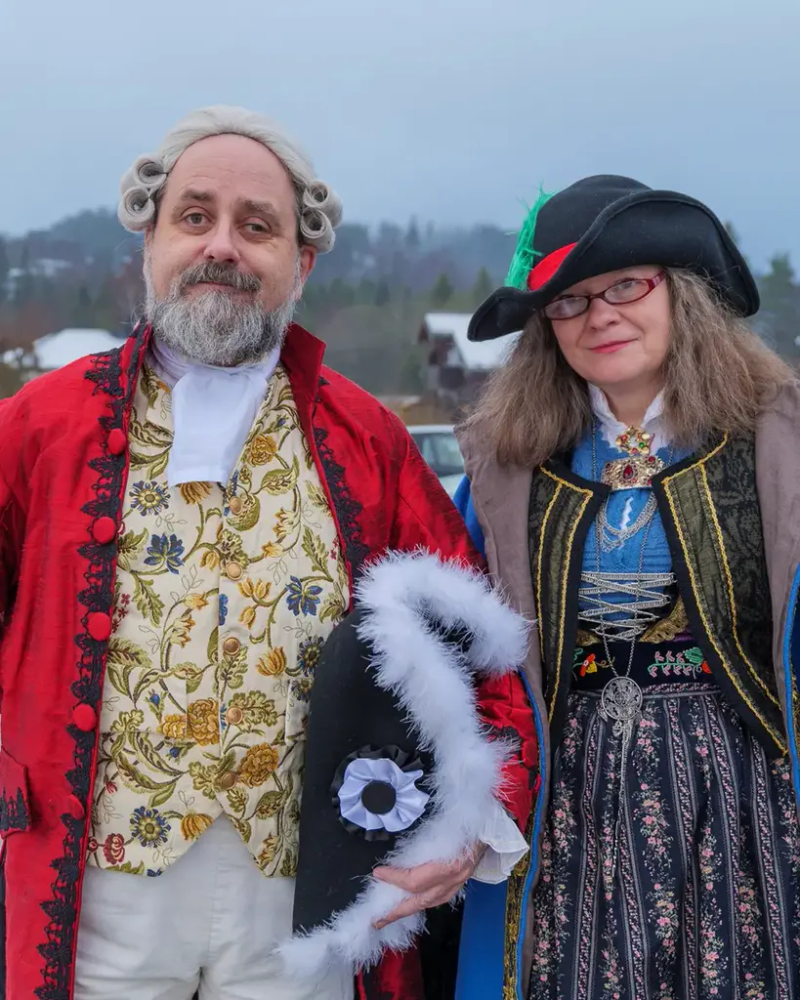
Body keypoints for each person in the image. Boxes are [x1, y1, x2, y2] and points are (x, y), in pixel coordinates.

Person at [0, 106, 537, 1000]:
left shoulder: (368, 436)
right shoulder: (40, 424)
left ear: (302, 260)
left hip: (305, 898)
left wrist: (474, 816)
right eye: (195, 217)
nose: (224, 248)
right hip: (97, 890)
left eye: (258, 227)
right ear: (150, 238)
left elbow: (469, 634)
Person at [453, 175, 800, 1000]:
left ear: (683, 294)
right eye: (569, 301)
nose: (599, 314)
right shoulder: (506, 472)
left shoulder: (779, 443)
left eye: (624, 286)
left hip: (745, 796)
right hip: (569, 803)